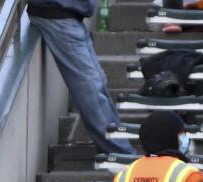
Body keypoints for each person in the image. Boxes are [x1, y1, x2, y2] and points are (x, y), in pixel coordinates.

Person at [27, 0, 136, 155]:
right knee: (92, 91)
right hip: (58, 14)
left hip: (69, 15)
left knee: (98, 83)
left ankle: (119, 148)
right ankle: (121, 153)